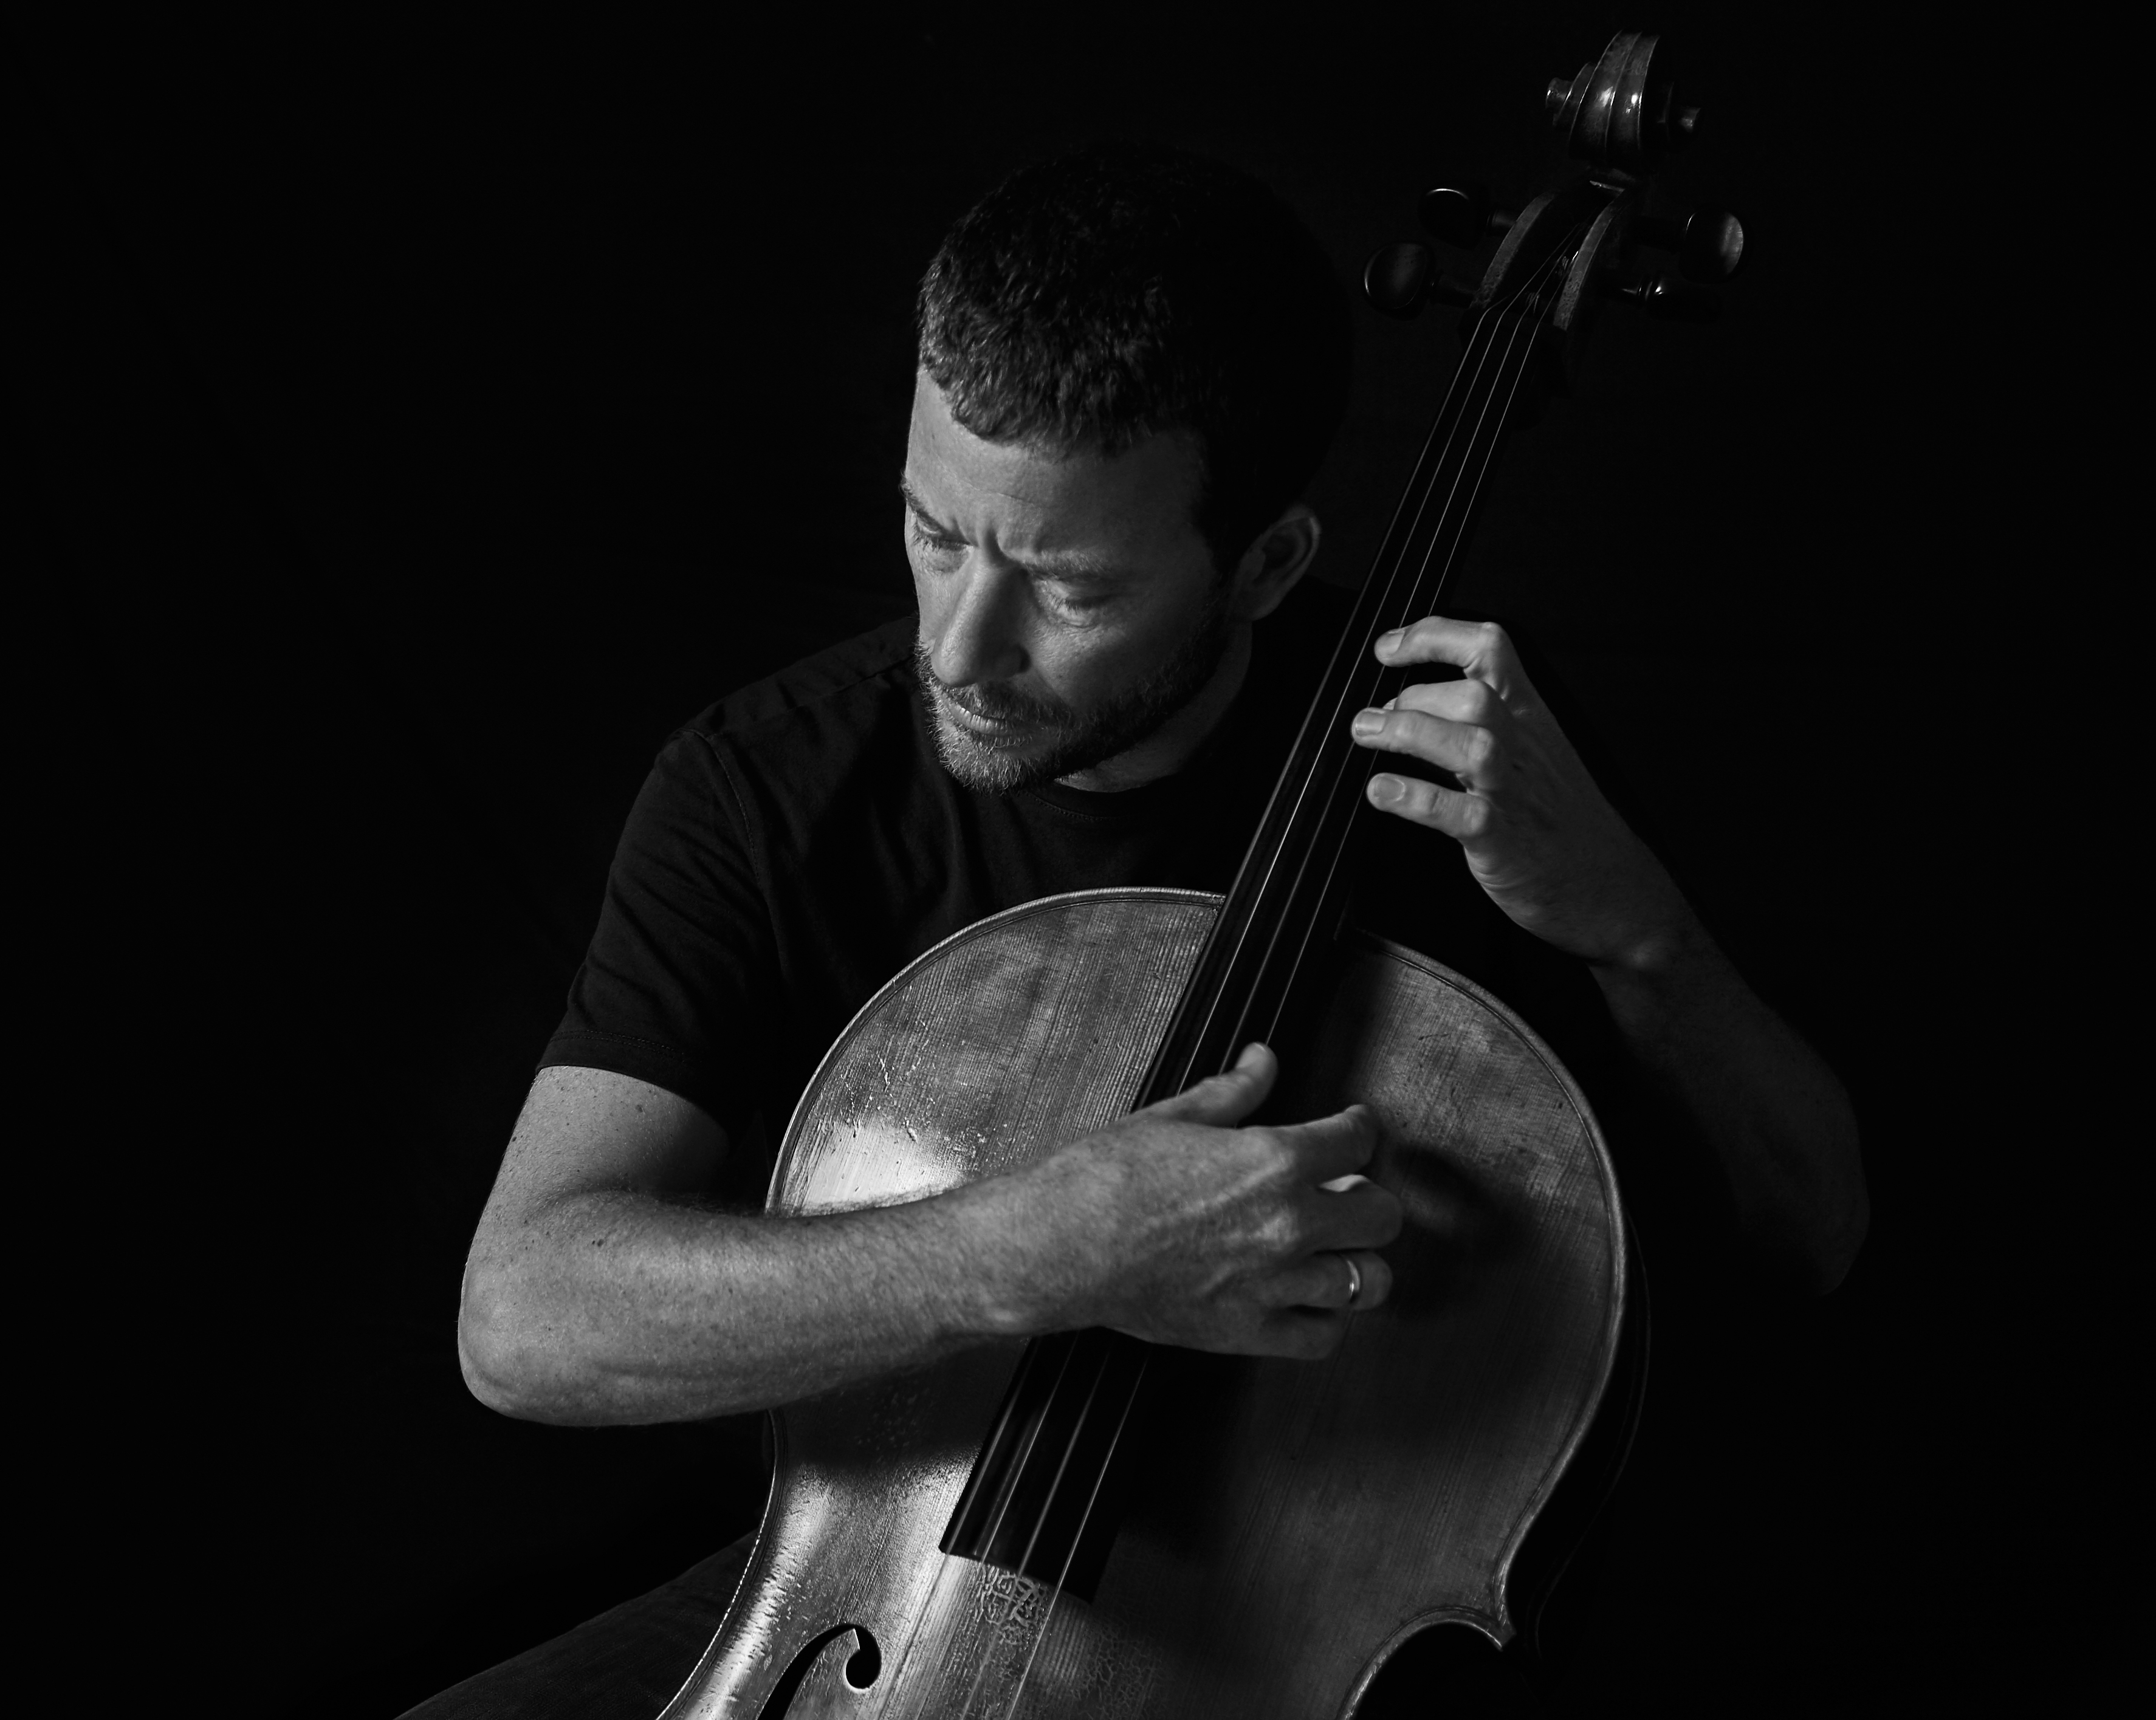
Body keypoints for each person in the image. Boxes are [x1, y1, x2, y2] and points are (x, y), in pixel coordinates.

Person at [429, 145, 1867, 1717]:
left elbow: (1810, 1234)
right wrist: (1042, 1248)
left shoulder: (1460, 777)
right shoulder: (769, 784)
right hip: (884, 1579)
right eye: (934, 533)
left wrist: (1637, 929)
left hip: (1287, 1647)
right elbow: (526, 1320)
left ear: (1264, 564)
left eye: (1068, 588)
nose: (961, 646)